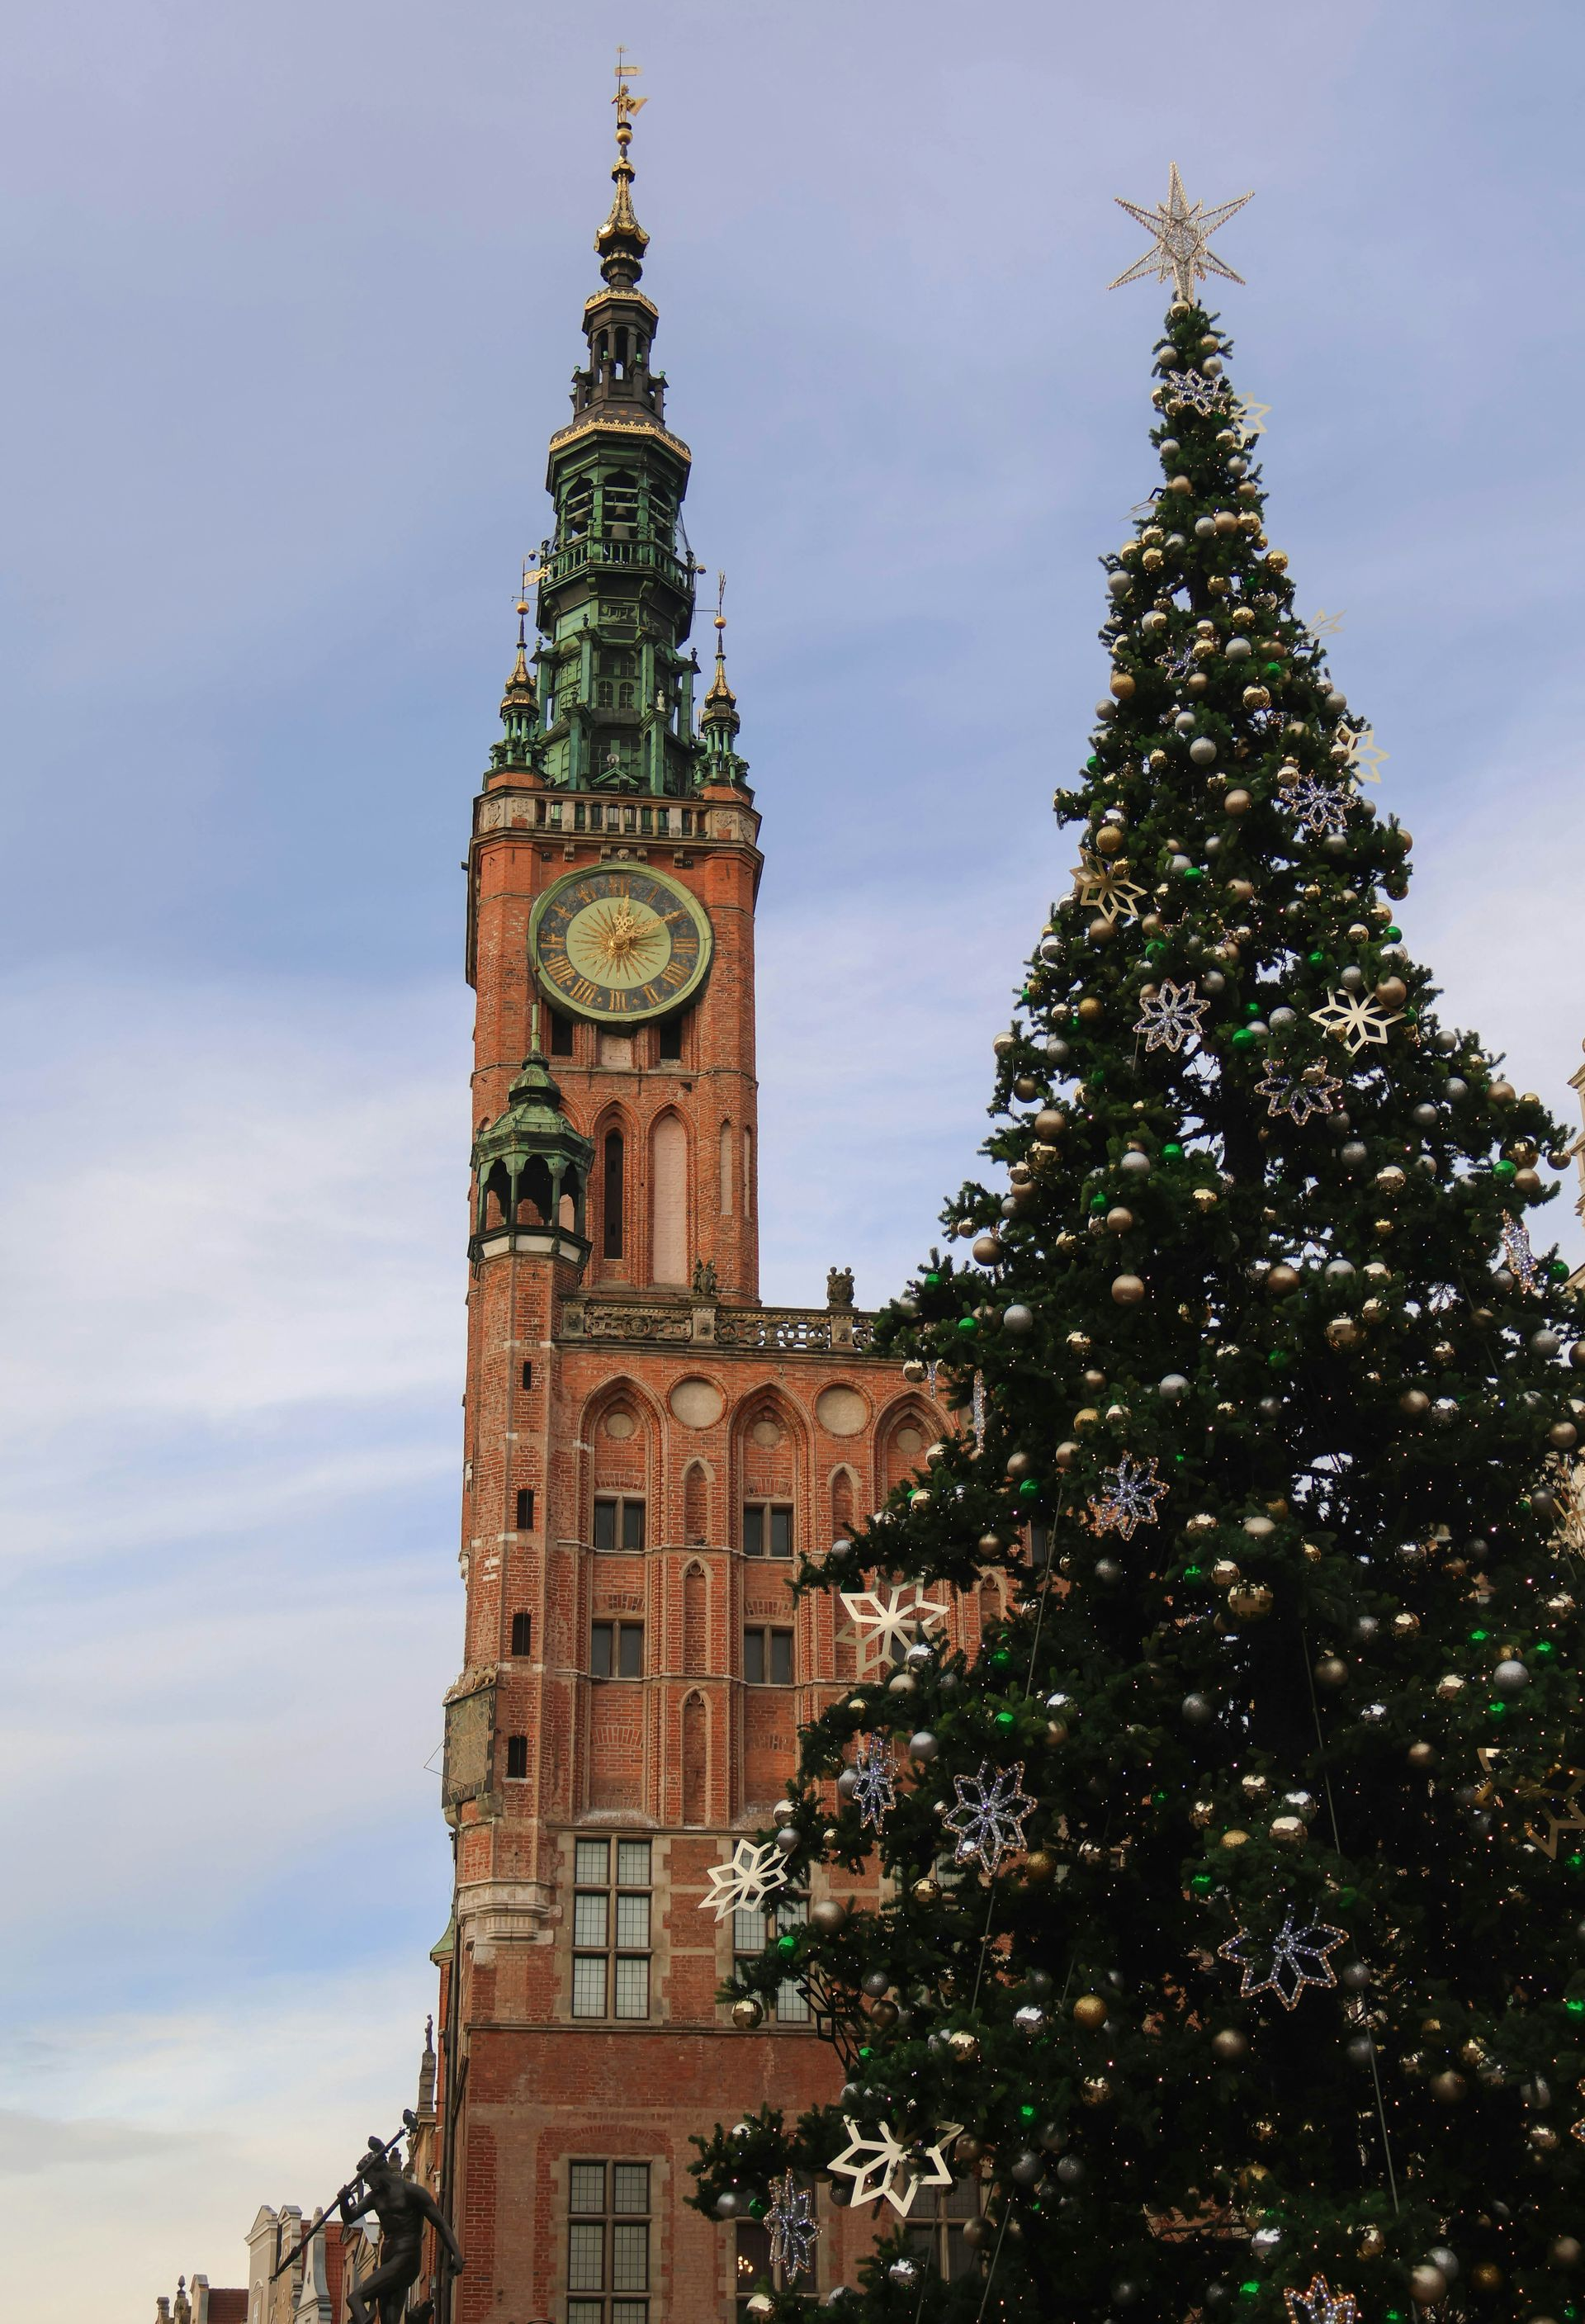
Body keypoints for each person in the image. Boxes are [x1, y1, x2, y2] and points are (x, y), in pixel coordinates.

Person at [341, 2142, 464, 2324]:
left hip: (406, 2258)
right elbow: (350, 2217)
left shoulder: (412, 2192)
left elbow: (441, 2224)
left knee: (355, 2298)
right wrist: (344, 2200)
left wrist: (457, 2253)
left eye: (367, 2177)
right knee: (389, 2320)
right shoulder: (375, 2197)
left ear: (378, 2169)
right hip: (388, 2260)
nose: (367, 2183)